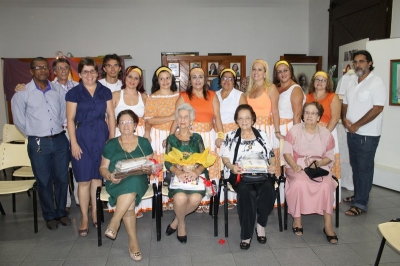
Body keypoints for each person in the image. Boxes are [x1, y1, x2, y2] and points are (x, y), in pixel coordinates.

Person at [13, 58, 80, 211]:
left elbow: (64, 113)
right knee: (44, 181)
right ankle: (50, 214)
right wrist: (35, 133)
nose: (42, 70)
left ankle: (62, 210)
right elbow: (19, 121)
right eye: (38, 67)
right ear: (31, 71)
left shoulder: (57, 91)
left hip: (59, 139)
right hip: (38, 142)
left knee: (62, 178)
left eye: (44, 67)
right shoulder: (22, 93)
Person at [66, 57, 116, 236]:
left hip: (101, 134)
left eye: (92, 71)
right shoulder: (74, 93)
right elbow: (70, 119)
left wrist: (111, 139)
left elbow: (111, 116)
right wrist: (74, 142)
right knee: (84, 180)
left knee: (97, 178)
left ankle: (95, 214)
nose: (89, 75)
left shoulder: (105, 91)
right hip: (82, 137)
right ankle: (84, 218)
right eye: (85, 71)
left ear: (97, 73)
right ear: (79, 74)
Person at [220, 104, 276, 250]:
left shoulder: (262, 135)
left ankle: (261, 224)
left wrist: (272, 165)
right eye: (241, 119)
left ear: (252, 120)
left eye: (247, 118)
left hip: (262, 174)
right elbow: (225, 157)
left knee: (269, 190)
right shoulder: (230, 136)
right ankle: (246, 234)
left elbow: (271, 155)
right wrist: (232, 167)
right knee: (245, 192)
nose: (244, 121)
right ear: (236, 121)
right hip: (240, 175)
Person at [99, 110, 153, 261]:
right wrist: (109, 176)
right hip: (116, 181)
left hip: (138, 180)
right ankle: (133, 242)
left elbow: (151, 165)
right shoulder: (111, 144)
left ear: (135, 125)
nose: (126, 125)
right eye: (122, 122)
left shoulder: (143, 142)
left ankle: (115, 222)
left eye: (129, 122)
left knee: (134, 180)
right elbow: (103, 168)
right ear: (118, 126)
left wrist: (147, 168)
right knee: (129, 200)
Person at [282, 102, 338, 244]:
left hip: (319, 167)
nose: (309, 116)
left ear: (318, 117)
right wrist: (294, 165)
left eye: (313, 113)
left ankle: (328, 225)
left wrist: (318, 164)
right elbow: (287, 152)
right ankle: (297, 219)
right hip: (297, 165)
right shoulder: (294, 130)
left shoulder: (325, 133)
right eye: (307, 112)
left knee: (326, 185)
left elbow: (329, 157)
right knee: (300, 182)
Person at [172, 67, 224, 212]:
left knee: (208, 167)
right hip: (191, 136)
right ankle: (191, 198)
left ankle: (206, 200)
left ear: (205, 79)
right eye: (194, 77)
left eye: (200, 77)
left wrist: (220, 135)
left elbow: (217, 118)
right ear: (190, 80)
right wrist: (171, 137)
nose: (197, 80)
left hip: (208, 135)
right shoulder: (184, 96)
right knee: (191, 166)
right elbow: (177, 118)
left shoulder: (212, 95)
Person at [341, 50, 386, 216]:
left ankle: (361, 204)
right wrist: (345, 120)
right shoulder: (353, 81)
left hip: (368, 134)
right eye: (356, 62)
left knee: (365, 168)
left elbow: (378, 108)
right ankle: (358, 195)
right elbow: (344, 103)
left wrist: (357, 125)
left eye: (361, 61)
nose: (358, 65)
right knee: (356, 166)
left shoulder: (376, 82)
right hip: (351, 132)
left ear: (370, 63)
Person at [164, 104, 209, 243]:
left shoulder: (197, 138)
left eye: (186, 117)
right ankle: (182, 225)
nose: (182, 119)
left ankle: (176, 221)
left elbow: (204, 160)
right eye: (180, 117)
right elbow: (167, 162)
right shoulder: (171, 139)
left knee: (195, 199)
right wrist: (178, 171)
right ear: (177, 120)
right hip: (178, 176)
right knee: (180, 199)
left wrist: (196, 171)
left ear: (191, 121)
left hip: (195, 175)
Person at [144, 66, 179, 210]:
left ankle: (172, 198)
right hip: (157, 135)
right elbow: (150, 120)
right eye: (161, 78)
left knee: (173, 166)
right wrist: (170, 117)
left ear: (172, 79)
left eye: (167, 78)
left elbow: (180, 117)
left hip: (174, 134)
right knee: (158, 167)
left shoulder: (178, 96)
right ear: (157, 81)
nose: (165, 81)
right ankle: (159, 200)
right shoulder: (152, 97)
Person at [216, 68, 247, 208]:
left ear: (234, 81)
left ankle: (232, 198)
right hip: (217, 132)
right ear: (220, 81)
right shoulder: (214, 95)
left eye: (230, 78)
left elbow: (245, 116)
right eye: (224, 78)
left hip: (234, 132)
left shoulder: (239, 95)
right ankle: (219, 197)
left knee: (232, 162)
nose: (226, 81)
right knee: (218, 164)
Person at [246, 59, 282, 174]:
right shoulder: (249, 90)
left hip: (266, 130)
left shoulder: (271, 88)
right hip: (250, 129)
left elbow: (275, 111)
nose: (256, 72)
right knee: (252, 161)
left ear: (265, 73)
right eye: (254, 69)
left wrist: (277, 131)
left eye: (260, 69)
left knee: (267, 162)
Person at [306, 71, 341, 180]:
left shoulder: (333, 97)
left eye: (323, 80)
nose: (320, 82)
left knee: (325, 162)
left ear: (328, 83)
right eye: (317, 79)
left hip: (327, 132)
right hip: (309, 133)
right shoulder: (307, 97)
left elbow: (335, 118)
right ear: (313, 82)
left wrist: (323, 135)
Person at [113, 65, 148, 138]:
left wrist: (147, 133)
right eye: (130, 77)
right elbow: (110, 119)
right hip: (120, 134)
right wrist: (110, 137)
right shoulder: (115, 95)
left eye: (136, 78)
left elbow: (148, 119)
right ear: (125, 77)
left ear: (139, 81)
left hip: (140, 133)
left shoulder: (144, 97)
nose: (132, 80)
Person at [273, 60, 304, 137]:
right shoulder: (275, 88)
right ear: (277, 75)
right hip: (275, 129)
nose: (283, 74)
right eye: (279, 72)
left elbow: (297, 115)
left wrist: (296, 137)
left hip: (288, 129)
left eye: (285, 70)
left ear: (291, 72)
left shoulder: (295, 89)